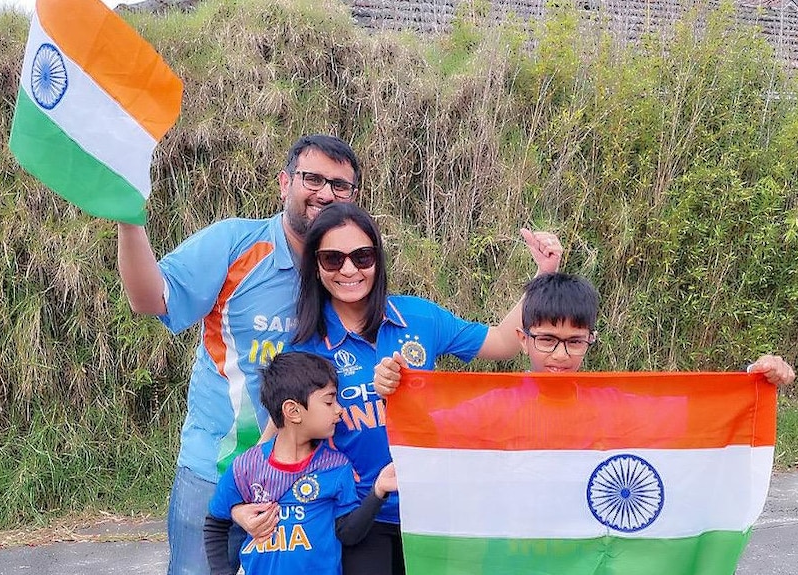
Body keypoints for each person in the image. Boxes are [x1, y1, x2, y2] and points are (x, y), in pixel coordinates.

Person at [233, 202, 563, 575]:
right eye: (332, 259)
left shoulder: (419, 318)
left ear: (377, 259)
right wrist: (239, 507)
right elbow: (274, 441)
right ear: (315, 266)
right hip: (355, 517)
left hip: (433, 512)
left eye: (362, 256)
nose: (348, 269)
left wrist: (543, 274)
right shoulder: (305, 347)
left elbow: (502, 343)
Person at [115, 134, 362, 575]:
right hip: (217, 470)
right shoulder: (235, 244)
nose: (325, 193)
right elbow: (152, 298)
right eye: (313, 178)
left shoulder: (351, 273)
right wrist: (129, 222)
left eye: (339, 185)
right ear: (285, 184)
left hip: (311, 483)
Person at [374, 271, 797, 389]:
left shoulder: (607, 398)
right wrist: (397, 389)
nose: (560, 355)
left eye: (575, 342)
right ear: (523, 340)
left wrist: (751, 380)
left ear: (591, 340)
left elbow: (685, 416)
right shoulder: (493, 402)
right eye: (547, 340)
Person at [204, 351, 397, 575]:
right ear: (293, 411)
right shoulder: (245, 468)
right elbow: (215, 525)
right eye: (329, 401)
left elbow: (348, 534)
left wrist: (378, 491)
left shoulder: (336, 467)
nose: (339, 410)